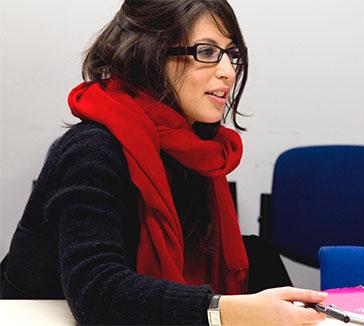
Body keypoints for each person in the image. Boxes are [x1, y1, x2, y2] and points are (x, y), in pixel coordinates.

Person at [1, 0, 327, 324]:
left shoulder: (195, 148)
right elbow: (97, 291)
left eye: (232, 54)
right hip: (34, 317)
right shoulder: (91, 150)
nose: (228, 71)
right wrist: (223, 312)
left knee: (260, 257)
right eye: (207, 52)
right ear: (150, 56)